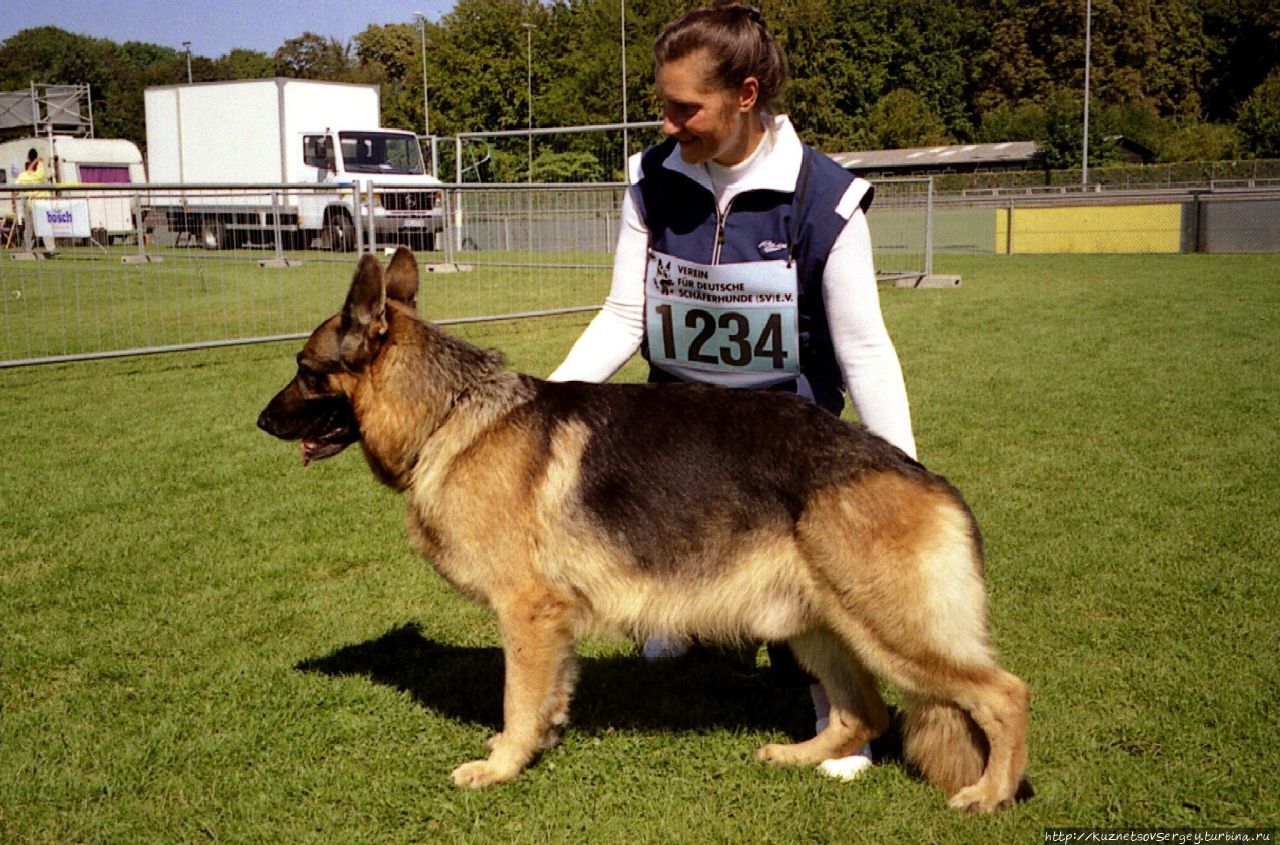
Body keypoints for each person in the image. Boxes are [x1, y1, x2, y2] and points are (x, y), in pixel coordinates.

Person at [548, 0, 917, 781]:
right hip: (677, 437)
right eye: (663, 103)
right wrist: (535, 413)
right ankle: (686, 622)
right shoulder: (649, 180)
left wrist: (901, 477)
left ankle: (842, 718)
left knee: (820, 593)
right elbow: (624, 313)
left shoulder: (828, 199)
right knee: (671, 542)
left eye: (687, 107)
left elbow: (861, 347)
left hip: (789, 443)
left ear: (746, 95)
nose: (669, 122)